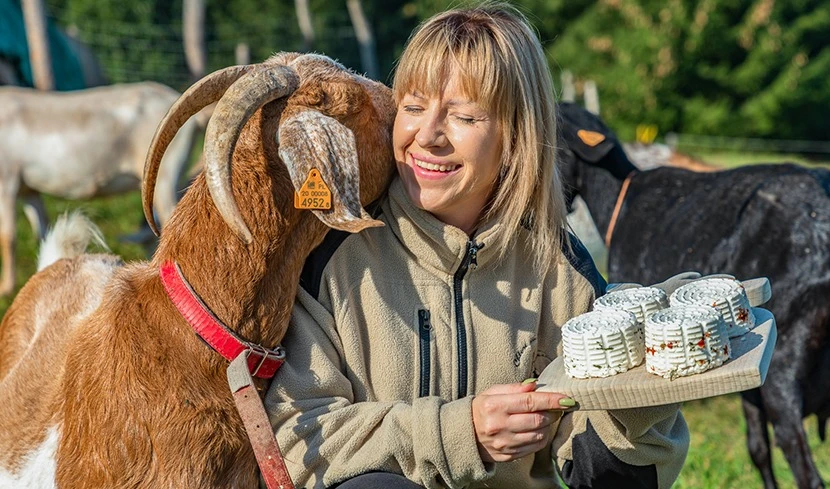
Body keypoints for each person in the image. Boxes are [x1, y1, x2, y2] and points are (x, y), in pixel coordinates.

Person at [265, 3, 688, 488]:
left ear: (515, 135)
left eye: (463, 116)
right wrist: (460, 432)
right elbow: (298, 439)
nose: (427, 137)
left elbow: (607, 471)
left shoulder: (560, 268)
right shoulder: (331, 256)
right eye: (414, 106)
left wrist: (637, 400)